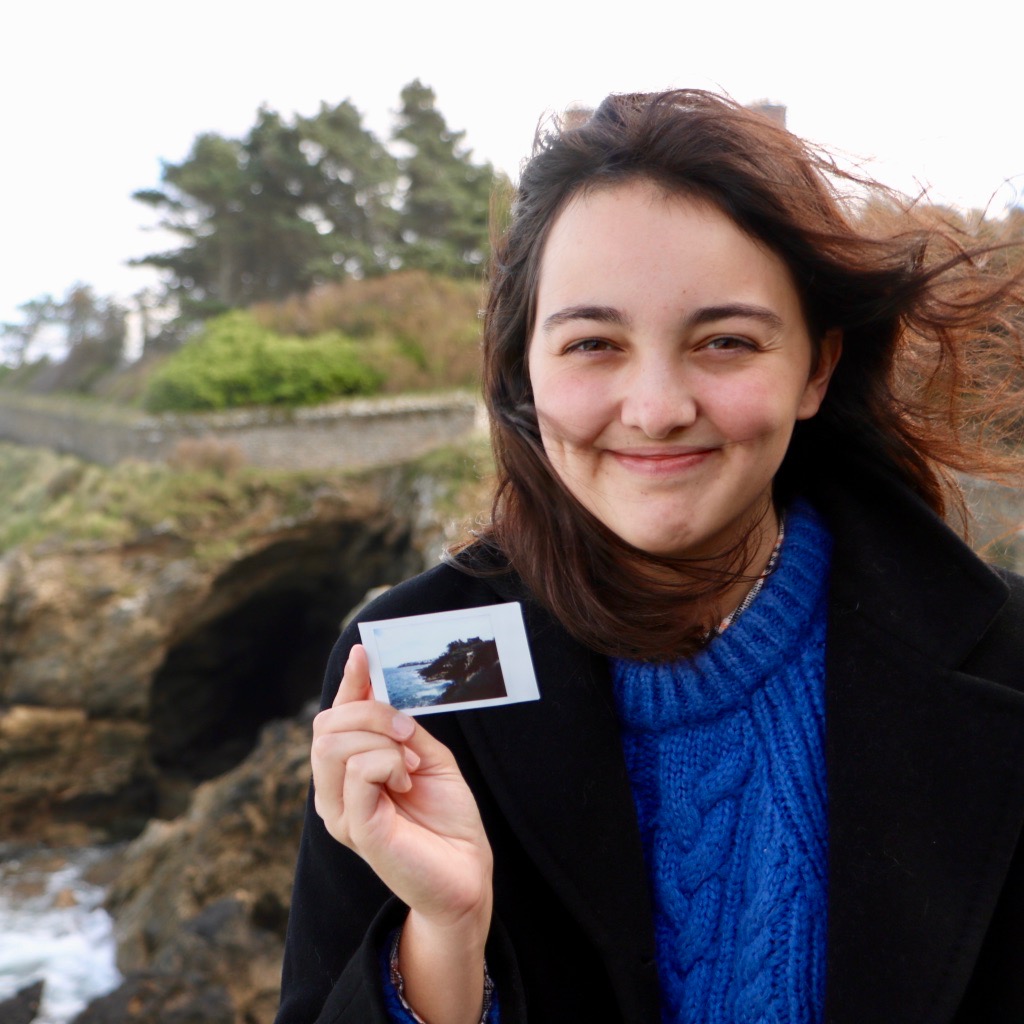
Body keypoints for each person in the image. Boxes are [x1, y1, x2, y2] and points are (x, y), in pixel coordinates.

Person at [275, 91, 1024, 1024]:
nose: (658, 406)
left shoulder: (1002, 657)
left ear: (818, 367)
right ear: (523, 367)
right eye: (594, 343)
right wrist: (444, 933)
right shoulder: (424, 659)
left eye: (724, 341)